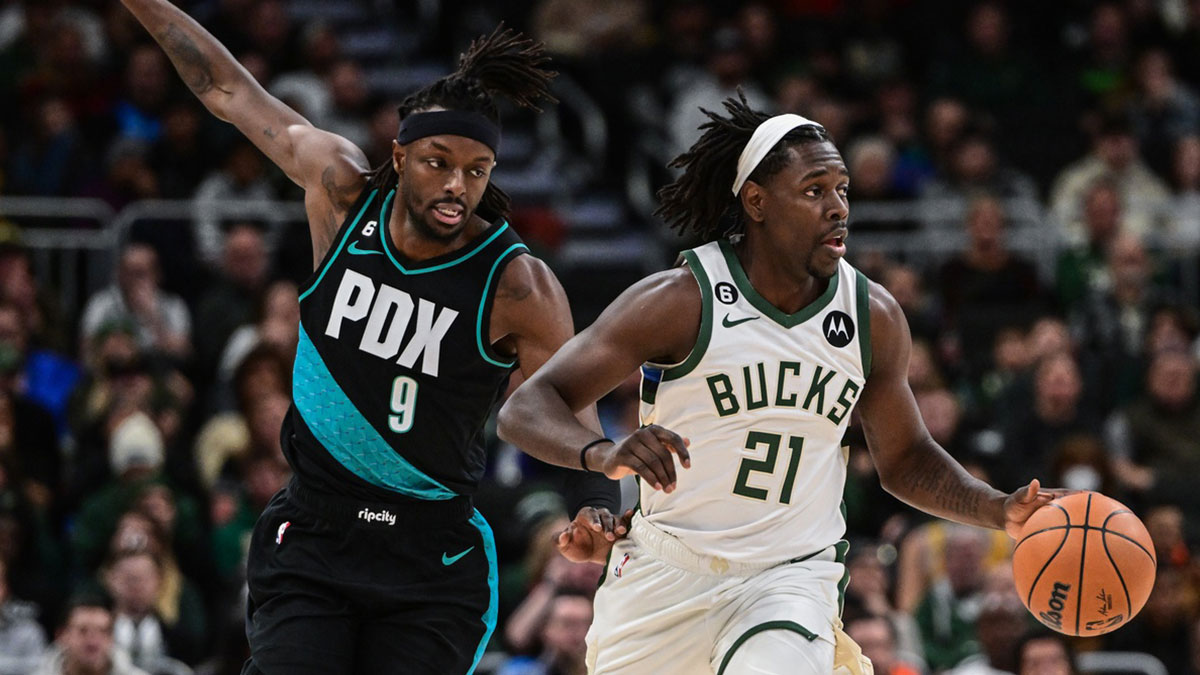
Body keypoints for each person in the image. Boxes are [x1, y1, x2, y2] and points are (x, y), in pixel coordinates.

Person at [118, 2, 622, 673]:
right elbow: (230, 90)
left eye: (477, 171)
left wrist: (594, 503)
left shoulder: (518, 284)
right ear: (400, 154)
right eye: (438, 162)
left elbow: (572, 400)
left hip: (430, 558)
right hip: (316, 531)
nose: (456, 186)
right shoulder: (342, 196)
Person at [498, 93, 1061, 674]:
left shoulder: (873, 317)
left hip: (789, 578)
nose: (838, 207)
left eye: (842, 189)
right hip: (667, 575)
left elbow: (906, 459)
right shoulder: (681, 299)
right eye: (815, 190)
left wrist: (998, 510)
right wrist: (603, 454)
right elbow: (529, 406)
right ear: (757, 202)